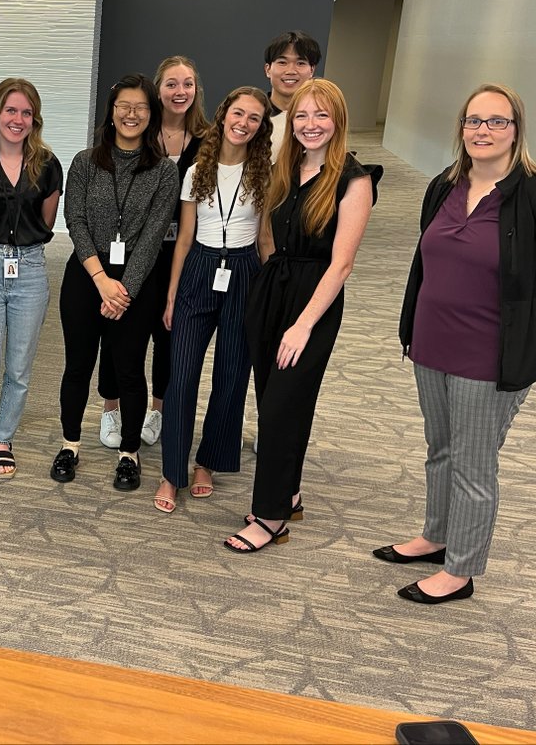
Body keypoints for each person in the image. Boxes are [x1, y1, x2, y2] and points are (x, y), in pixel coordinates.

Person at [377, 84, 536, 604]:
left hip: (487, 356)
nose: (483, 131)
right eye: (474, 121)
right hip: (431, 343)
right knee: (440, 450)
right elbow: (425, 266)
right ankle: (437, 534)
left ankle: (461, 569)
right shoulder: (444, 186)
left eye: (497, 121)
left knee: (474, 462)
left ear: (517, 129)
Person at [225, 78, 380, 553]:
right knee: (279, 399)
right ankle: (287, 492)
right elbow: (268, 232)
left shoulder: (355, 181)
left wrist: (303, 324)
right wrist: (269, 282)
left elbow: (342, 265)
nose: (311, 125)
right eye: (302, 116)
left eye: (321, 116)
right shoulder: (284, 169)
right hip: (273, 288)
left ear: (338, 121)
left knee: (280, 408)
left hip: (314, 301)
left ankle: (269, 516)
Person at [53, 74, 179, 491]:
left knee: (129, 371)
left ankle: (129, 453)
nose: (131, 114)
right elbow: (76, 221)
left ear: (151, 114)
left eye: (141, 107)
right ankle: (70, 444)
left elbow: (154, 235)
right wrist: (102, 280)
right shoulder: (86, 162)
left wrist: (122, 289)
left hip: (135, 284)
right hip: (87, 275)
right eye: (123, 105)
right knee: (77, 367)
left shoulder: (164, 172)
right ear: (111, 111)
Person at [154, 87, 272, 513]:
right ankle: (172, 472)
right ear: (223, 116)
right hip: (200, 269)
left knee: (231, 376)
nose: (243, 122)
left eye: (254, 118)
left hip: (244, 272)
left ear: (261, 127)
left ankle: (208, 461)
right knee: (180, 376)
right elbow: (183, 238)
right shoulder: (196, 171)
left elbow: (265, 239)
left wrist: (272, 297)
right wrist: (171, 296)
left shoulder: (265, 173)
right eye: (238, 113)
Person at [96, 56, 207, 450]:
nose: (180, 92)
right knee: (119, 330)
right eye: (172, 84)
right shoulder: (139, 132)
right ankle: (111, 406)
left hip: (183, 253)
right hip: (133, 250)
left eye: (188, 84)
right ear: (156, 91)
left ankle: (156, 408)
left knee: (168, 333)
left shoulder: (208, 141)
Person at [0, 78, 62, 479]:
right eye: (11, 111)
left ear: (34, 120)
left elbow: (47, 221)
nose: (18, 119)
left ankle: (4, 437)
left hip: (32, 268)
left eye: (26, 113)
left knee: (19, 367)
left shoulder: (48, 165)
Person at [263, 30, 321, 158]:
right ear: (268, 69)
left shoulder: (323, 120)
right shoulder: (252, 116)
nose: (291, 71)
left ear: (312, 70)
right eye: (282, 62)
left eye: (300, 63)